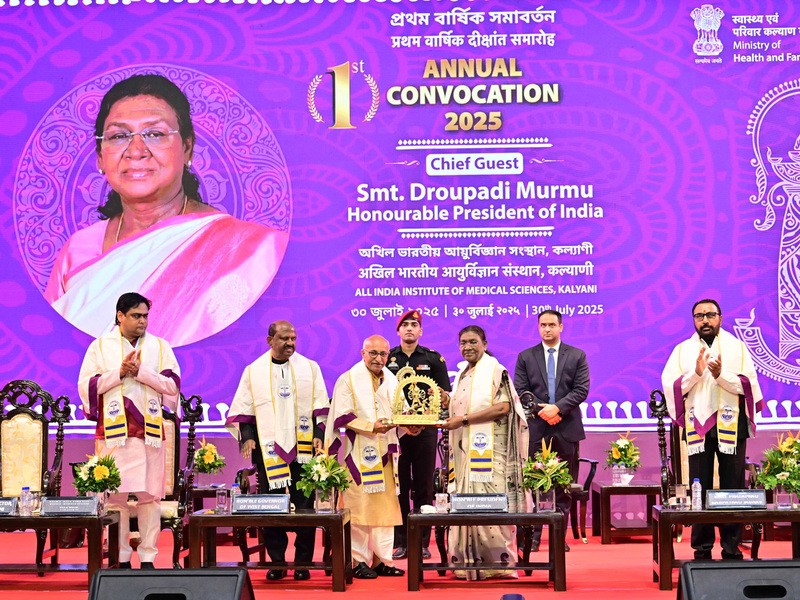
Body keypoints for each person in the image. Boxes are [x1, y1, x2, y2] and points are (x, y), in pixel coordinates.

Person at [45, 74, 289, 347]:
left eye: (155, 134)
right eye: (119, 136)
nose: (136, 151)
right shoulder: (77, 251)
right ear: (101, 157)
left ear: (187, 147)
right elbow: (55, 346)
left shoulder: (254, 249)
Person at [77, 292, 180, 569]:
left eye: (145, 316)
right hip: (114, 435)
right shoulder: (100, 347)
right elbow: (87, 387)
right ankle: (121, 557)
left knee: (149, 498)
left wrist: (141, 372)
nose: (142, 321)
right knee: (117, 498)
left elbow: (172, 387)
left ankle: (147, 558)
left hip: (149, 435)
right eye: (136, 316)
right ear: (120, 316)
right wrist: (120, 373)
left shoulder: (160, 347)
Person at [225, 320, 329, 581]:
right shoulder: (254, 371)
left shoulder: (310, 368)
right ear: (270, 340)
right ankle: (278, 562)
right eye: (284, 338)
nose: (290, 343)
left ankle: (303, 562)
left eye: (293, 338)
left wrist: (318, 435)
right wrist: (247, 437)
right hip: (268, 450)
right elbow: (245, 408)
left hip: (303, 449)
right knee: (271, 506)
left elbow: (320, 406)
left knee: (305, 507)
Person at [661, 299, 763, 560]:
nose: (705, 320)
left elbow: (748, 385)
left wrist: (720, 375)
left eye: (710, 315)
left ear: (720, 317)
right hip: (698, 424)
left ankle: (731, 547)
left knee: (733, 485)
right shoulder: (683, 350)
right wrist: (696, 373)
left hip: (732, 423)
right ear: (693, 320)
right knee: (699, 485)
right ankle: (702, 549)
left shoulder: (737, 348)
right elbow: (671, 386)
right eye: (699, 316)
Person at [441, 325, 528, 580]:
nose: (467, 347)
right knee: (465, 504)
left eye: (473, 342)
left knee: (490, 505)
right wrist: (448, 400)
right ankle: (466, 563)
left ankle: (497, 564)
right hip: (464, 452)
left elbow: (503, 408)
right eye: (463, 343)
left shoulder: (495, 371)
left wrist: (463, 420)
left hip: (490, 452)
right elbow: (462, 405)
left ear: (485, 344)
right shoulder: (462, 374)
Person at [325, 335, 409, 579]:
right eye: (373, 353)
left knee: (386, 509)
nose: (378, 358)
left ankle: (383, 560)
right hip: (358, 455)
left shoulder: (392, 379)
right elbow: (342, 416)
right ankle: (358, 561)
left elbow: (401, 412)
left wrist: (410, 425)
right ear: (363, 353)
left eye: (383, 354)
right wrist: (372, 426)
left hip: (386, 454)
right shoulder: (348, 379)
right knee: (359, 508)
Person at [514, 309, 590, 552]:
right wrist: (543, 410)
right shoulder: (526, 356)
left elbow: (581, 389)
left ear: (561, 327)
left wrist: (557, 409)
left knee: (564, 486)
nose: (547, 329)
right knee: (536, 483)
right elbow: (521, 391)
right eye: (543, 325)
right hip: (536, 428)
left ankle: (559, 536)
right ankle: (535, 537)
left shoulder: (577, 355)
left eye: (551, 325)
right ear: (538, 327)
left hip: (567, 427)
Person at [387, 309, 451, 560]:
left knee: (424, 486)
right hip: (397, 433)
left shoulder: (433, 359)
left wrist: (434, 407)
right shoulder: (388, 358)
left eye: (414, 325)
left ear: (420, 331)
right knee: (399, 486)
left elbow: (444, 395)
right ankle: (401, 541)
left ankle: (423, 542)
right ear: (398, 331)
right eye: (405, 325)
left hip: (426, 431)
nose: (409, 329)